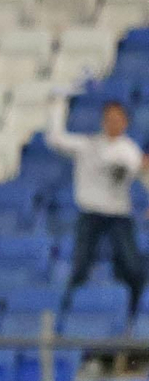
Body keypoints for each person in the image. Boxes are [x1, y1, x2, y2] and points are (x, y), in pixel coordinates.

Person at [47, 96, 148, 316]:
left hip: (118, 217)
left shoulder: (129, 151)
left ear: (125, 122)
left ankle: (132, 314)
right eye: (109, 118)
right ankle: (67, 316)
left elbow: (145, 173)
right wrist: (57, 105)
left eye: (117, 118)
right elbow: (55, 139)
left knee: (132, 267)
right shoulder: (88, 145)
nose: (113, 123)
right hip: (90, 215)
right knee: (80, 267)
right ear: (103, 120)